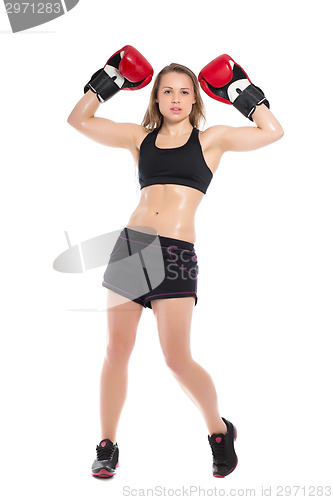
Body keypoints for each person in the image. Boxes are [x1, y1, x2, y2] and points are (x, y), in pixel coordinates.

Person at [67, 45, 284, 479]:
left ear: (195, 98)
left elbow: (272, 131)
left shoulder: (212, 140)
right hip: (132, 249)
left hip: (177, 254)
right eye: (167, 91)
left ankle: (219, 432)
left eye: (184, 91)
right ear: (156, 97)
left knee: (176, 359)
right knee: (116, 350)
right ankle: (107, 444)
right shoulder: (138, 138)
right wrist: (109, 77)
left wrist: (242, 90)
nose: (176, 99)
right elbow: (79, 119)